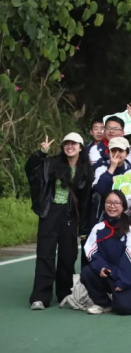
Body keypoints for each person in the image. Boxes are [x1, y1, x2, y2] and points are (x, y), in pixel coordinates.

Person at [25, 133, 93, 310]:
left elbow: (85, 200)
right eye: (66, 144)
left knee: (68, 255)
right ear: (62, 147)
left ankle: (65, 294)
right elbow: (31, 169)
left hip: (71, 214)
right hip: (50, 211)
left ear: (80, 147)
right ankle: (40, 297)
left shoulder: (85, 169)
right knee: (45, 254)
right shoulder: (51, 163)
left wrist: (84, 227)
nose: (70, 146)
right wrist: (41, 153)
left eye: (74, 144)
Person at [80, 190, 131, 315]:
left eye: (116, 203)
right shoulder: (98, 228)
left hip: (124, 276)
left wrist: (122, 281)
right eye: (109, 202)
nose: (112, 206)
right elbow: (91, 251)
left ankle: (121, 297)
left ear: (123, 206)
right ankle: (103, 303)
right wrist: (101, 267)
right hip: (106, 272)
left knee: (125, 309)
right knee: (87, 272)